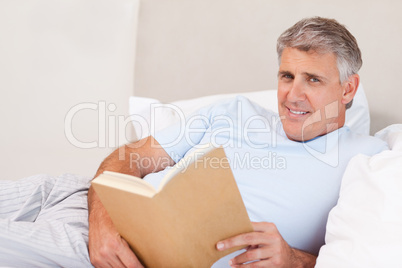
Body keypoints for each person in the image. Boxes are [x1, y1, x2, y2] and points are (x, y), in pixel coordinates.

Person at [87, 17, 387, 267]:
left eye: (313, 79)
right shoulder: (232, 111)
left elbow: (362, 256)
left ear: (348, 89)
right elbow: (128, 158)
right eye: (287, 76)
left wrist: (294, 260)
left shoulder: (370, 159)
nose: (293, 95)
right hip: (100, 235)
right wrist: (102, 226)